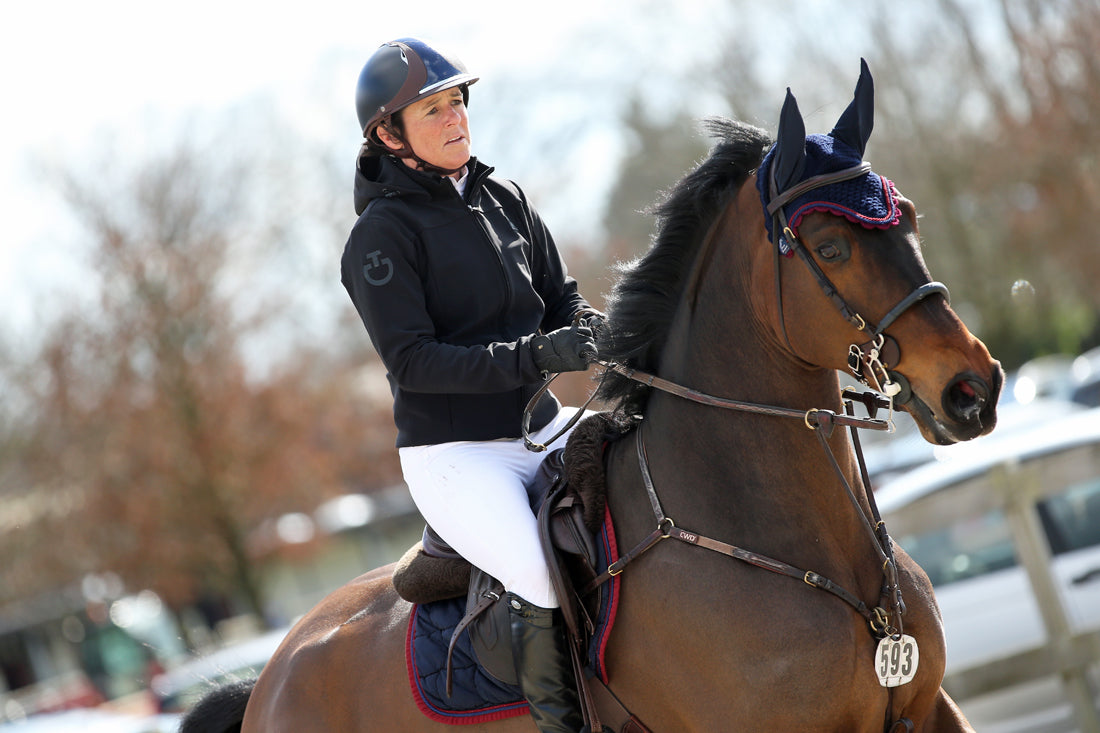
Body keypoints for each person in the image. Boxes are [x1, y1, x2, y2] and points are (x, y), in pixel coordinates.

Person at [341, 38, 599, 733]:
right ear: (390, 135)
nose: (456, 118)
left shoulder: (505, 197)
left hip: (540, 422)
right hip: (457, 453)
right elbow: (416, 364)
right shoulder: (379, 238)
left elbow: (562, 298)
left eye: (457, 102)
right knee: (539, 575)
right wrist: (537, 352)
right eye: (433, 110)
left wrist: (588, 330)